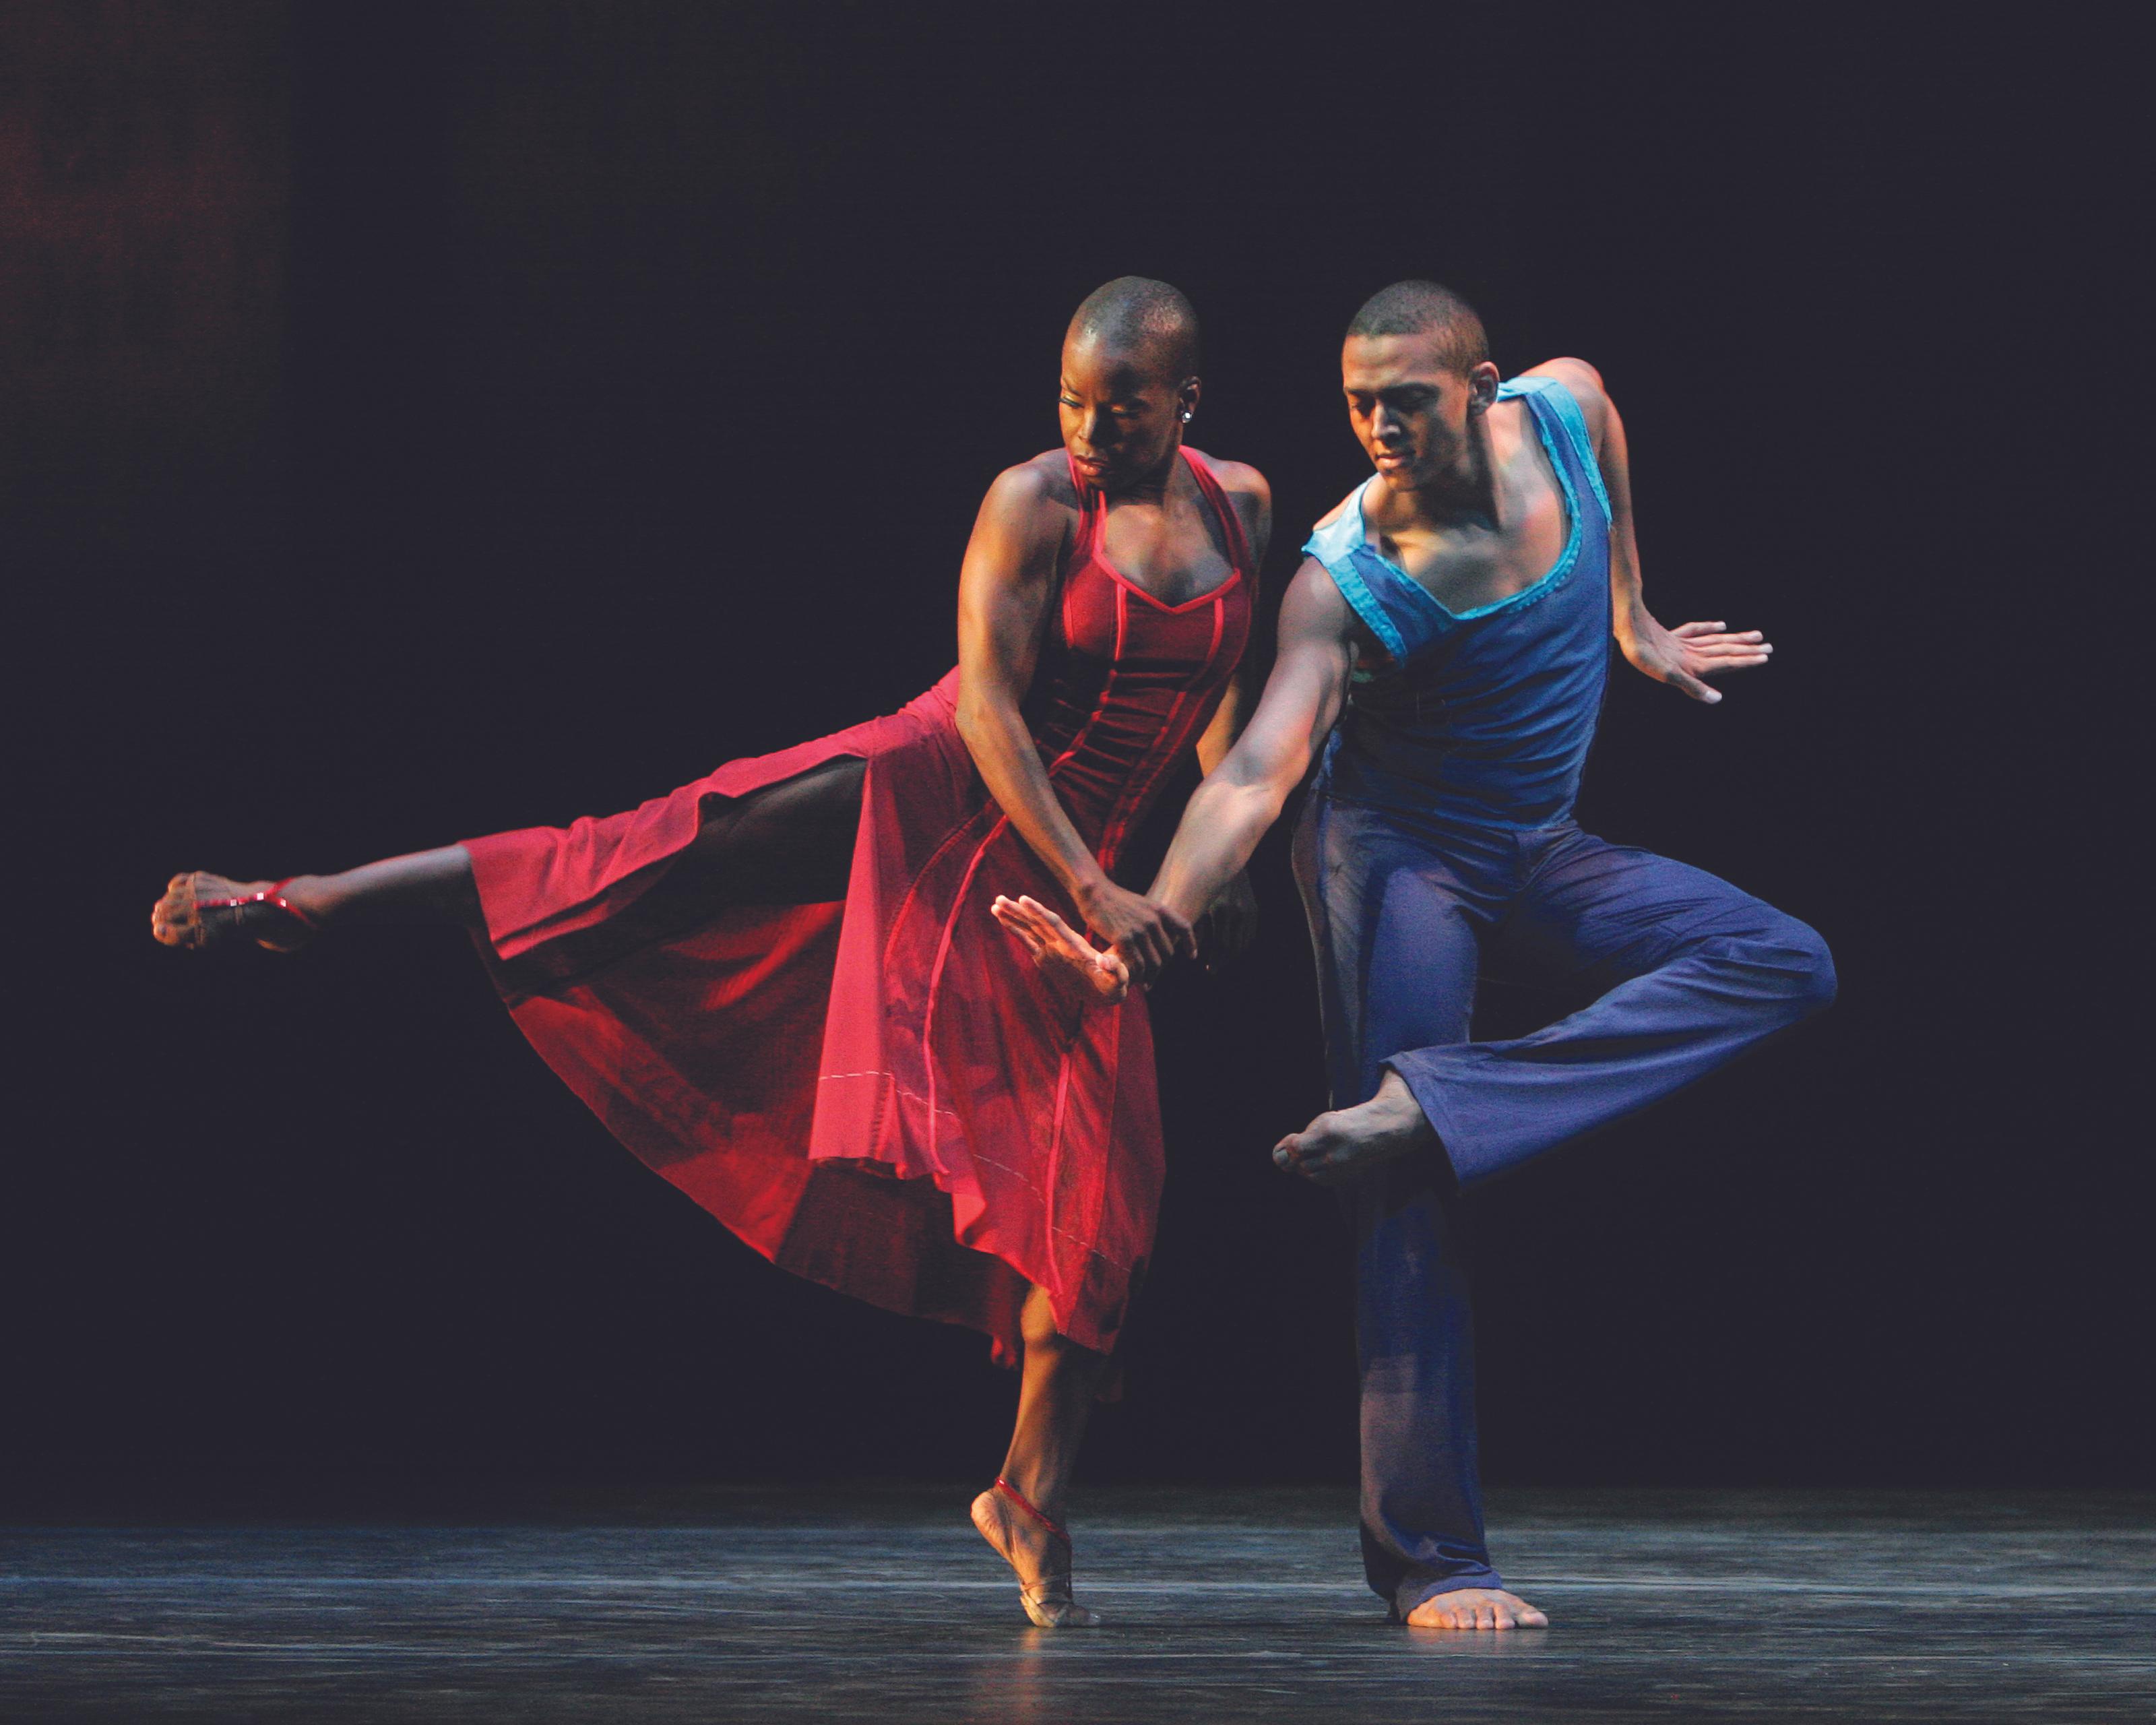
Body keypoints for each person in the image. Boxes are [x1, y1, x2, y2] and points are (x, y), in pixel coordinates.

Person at [151, 277, 1270, 1629]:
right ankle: (303, 899)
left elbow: (1224, 684)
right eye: (1070, 402)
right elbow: (985, 705)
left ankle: (1028, 1494)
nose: (1088, 431)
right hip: (944, 798)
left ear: (1186, 401)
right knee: (644, 857)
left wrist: (1216, 873)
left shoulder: (1241, 508)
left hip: (1076, 891)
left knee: (1102, 1206)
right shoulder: (1033, 503)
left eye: (1121, 409)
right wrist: (1098, 881)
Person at [993, 280, 1835, 1631]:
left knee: (1782, 959)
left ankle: (1436, 1101)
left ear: (1483, 391)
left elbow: (1609, 443)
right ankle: (1434, 1561)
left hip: (1540, 847)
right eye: (1357, 405)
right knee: (1401, 1195)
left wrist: (1631, 612)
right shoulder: (1349, 575)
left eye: (1406, 402)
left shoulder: (1562, 412)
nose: (1379, 427)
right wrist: (1136, 930)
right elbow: (1254, 773)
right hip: (1395, 865)